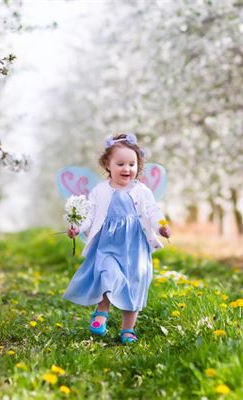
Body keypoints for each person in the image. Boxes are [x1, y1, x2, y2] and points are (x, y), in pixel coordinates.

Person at [63, 132, 171, 344]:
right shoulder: (100, 190)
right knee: (107, 273)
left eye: (132, 164)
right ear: (108, 165)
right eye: (120, 163)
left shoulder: (142, 191)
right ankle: (101, 312)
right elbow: (89, 215)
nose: (126, 169)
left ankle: (127, 329)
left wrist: (162, 227)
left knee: (134, 284)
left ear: (138, 166)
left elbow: (153, 212)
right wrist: (77, 227)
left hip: (135, 246)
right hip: (108, 244)